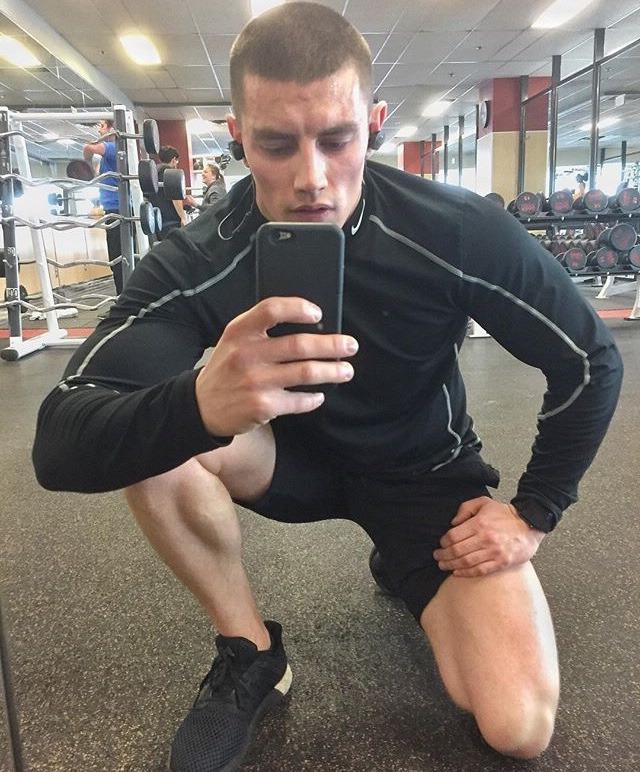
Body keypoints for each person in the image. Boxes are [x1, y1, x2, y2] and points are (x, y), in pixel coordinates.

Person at [33, 4, 623, 772]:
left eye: (337, 140)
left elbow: (590, 362)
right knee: (155, 440)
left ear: (374, 124)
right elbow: (61, 442)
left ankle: (401, 560)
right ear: (238, 135)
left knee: (519, 726)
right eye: (277, 145)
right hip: (287, 461)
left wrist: (533, 512)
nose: (311, 178)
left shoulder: (454, 229)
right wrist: (200, 404)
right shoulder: (197, 259)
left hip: (422, 474)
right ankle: (250, 651)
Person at [83, 119, 122, 295]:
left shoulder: (113, 148)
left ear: (112, 129)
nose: (99, 130)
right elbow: (89, 155)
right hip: (113, 209)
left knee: (118, 259)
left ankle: (123, 297)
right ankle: (123, 295)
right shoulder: (110, 154)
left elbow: (87, 148)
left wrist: (91, 146)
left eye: (102, 126)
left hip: (117, 210)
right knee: (117, 258)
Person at [146, 146, 187, 240]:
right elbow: (175, 198)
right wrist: (183, 218)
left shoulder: (153, 173)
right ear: (173, 159)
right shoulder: (171, 173)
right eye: (177, 161)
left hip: (156, 220)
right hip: (171, 221)